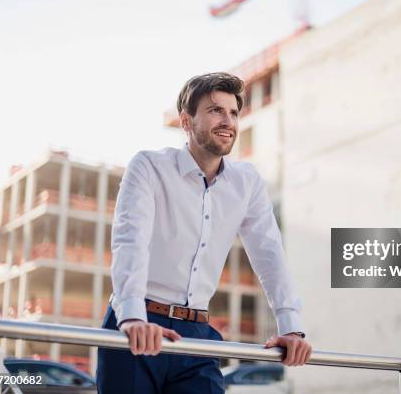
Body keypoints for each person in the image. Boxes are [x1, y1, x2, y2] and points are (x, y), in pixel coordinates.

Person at [97, 72, 312, 393]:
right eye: (215, 110)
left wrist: (291, 327)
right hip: (137, 327)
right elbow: (131, 240)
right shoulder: (148, 166)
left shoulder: (247, 181)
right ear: (186, 121)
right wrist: (131, 316)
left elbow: (269, 253)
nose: (228, 121)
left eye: (234, 112)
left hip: (197, 336)